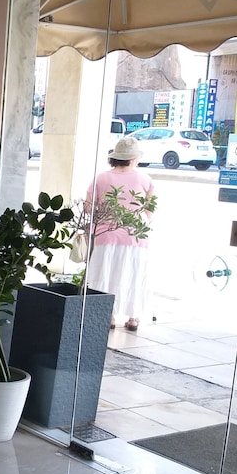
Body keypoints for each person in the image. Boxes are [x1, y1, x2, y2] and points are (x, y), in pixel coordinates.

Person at [84, 136, 155, 332]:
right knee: (134, 275)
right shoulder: (145, 180)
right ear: (133, 159)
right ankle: (133, 318)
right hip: (136, 236)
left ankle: (109, 316)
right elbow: (150, 211)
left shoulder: (101, 178)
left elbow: (88, 207)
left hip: (106, 235)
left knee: (105, 274)